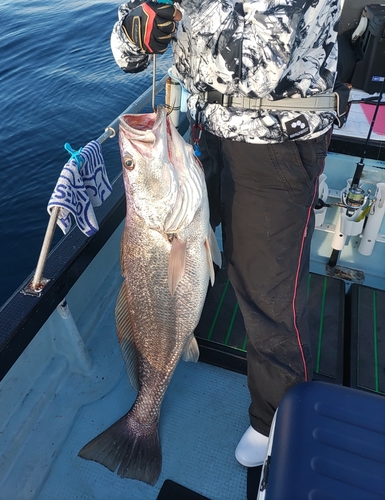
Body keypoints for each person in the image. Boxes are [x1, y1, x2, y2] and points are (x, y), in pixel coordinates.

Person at [110, 0, 344, 469]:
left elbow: (259, 66)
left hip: (275, 138)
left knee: (267, 297)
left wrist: (181, 10)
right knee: (166, 264)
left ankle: (273, 420)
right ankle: (150, 395)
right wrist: (137, 34)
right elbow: (124, 52)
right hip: (203, 131)